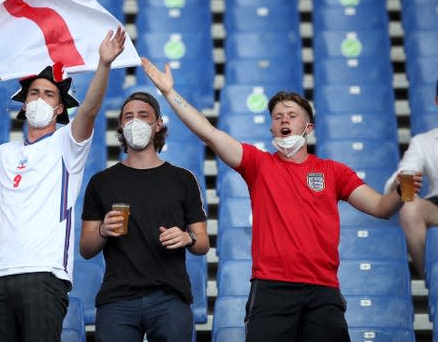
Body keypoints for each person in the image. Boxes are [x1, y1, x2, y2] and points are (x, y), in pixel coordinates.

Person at [140, 57, 423, 342]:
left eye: (291, 114)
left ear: (308, 127)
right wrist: (168, 92)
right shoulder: (258, 164)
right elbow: (209, 133)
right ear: (272, 129)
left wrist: (400, 192)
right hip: (271, 289)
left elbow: (380, 207)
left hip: (322, 290)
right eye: (277, 117)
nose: (284, 119)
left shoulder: (333, 171)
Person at [0, 27, 127, 342]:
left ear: (59, 109)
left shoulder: (67, 144)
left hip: (44, 277)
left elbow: (90, 110)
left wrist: (104, 65)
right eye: (34, 93)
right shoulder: (6, 153)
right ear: (23, 104)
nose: (39, 99)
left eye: (48, 94)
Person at [79, 91, 209, 342]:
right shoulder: (101, 182)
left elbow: (202, 244)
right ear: (120, 125)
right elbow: (86, 248)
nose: (135, 122)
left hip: (170, 299)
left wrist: (187, 237)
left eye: (143, 115)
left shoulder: (183, 179)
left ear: (158, 124)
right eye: (129, 116)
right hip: (117, 300)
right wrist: (103, 231)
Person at [384, 79, 438, 278]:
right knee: (409, 205)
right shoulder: (422, 143)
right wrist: (401, 184)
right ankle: (431, 280)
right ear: (436, 102)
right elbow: (403, 177)